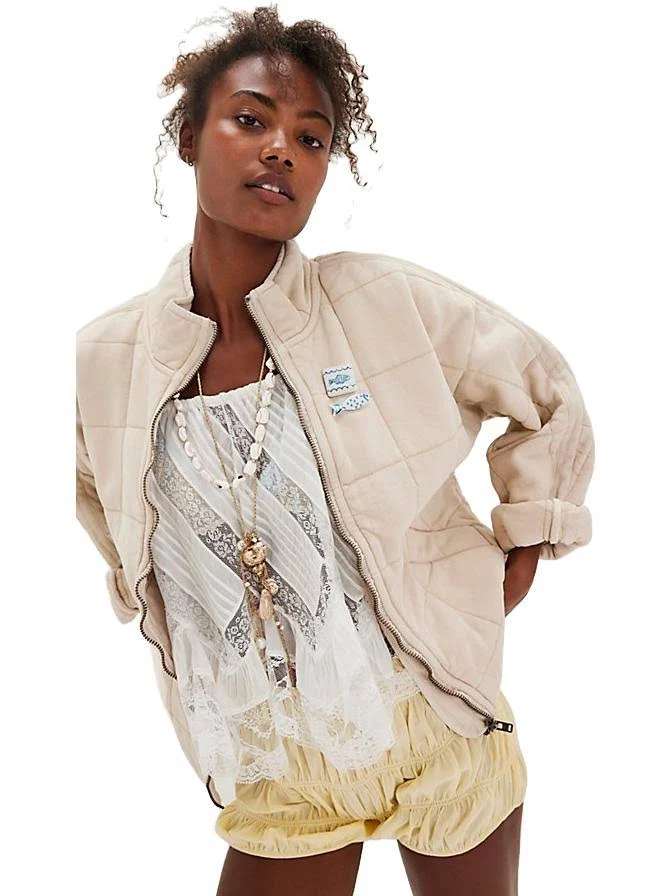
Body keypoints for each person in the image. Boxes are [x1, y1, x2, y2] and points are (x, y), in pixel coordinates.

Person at [75, 6, 595, 895]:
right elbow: (98, 492)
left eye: (310, 138)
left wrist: (524, 542)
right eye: (250, 120)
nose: (281, 150)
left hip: (439, 722)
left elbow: (544, 389)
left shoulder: (380, 298)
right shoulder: (105, 356)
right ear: (189, 137)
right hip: (278, 764)